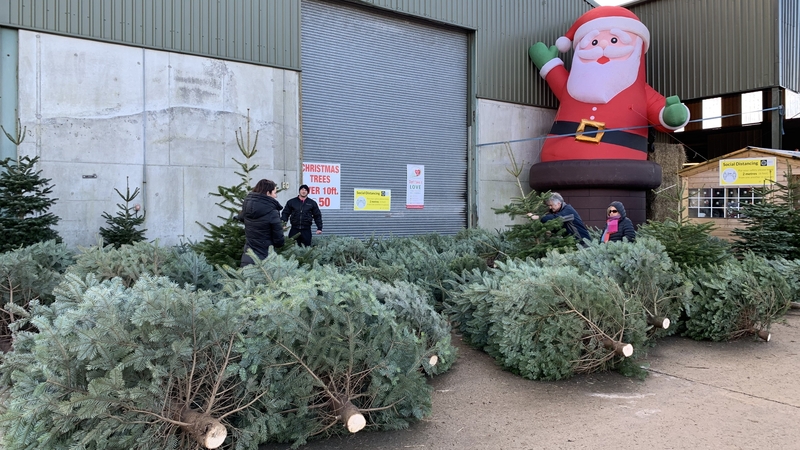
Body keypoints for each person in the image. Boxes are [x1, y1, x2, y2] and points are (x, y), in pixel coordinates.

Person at [237, 179, 285, 266]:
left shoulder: (247, 205)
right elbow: (279, 240)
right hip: (265, 258)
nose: (276, 196)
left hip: (248, 255)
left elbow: (240, 217)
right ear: (268, 193)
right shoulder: (272, 211)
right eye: (274, 192)